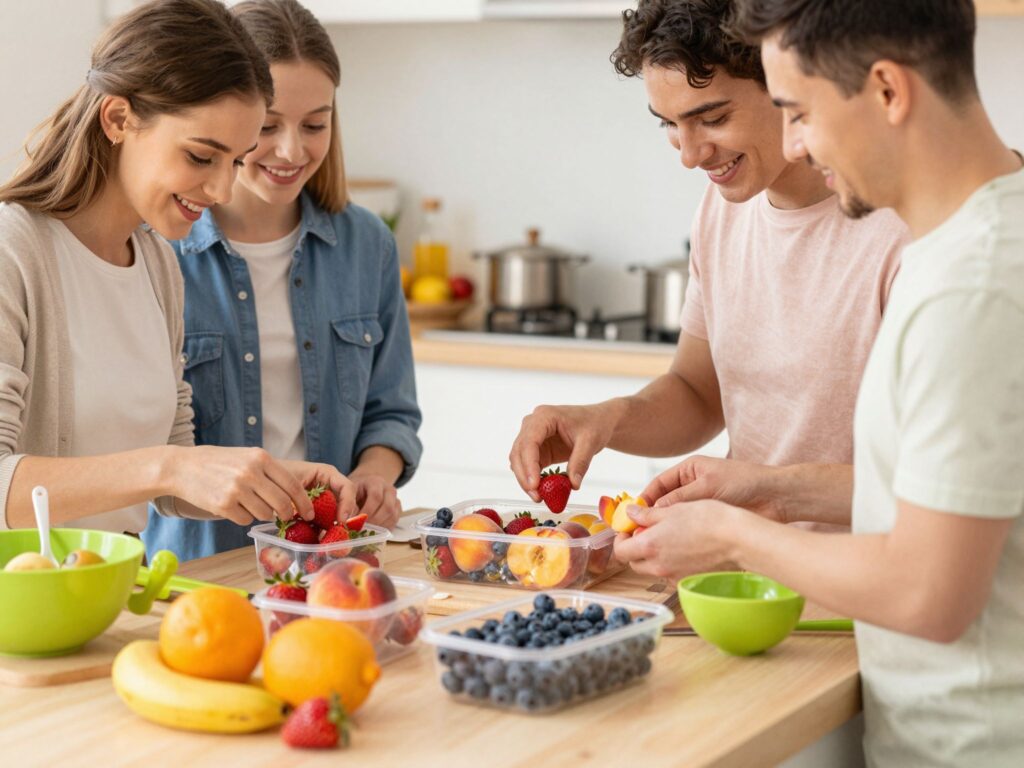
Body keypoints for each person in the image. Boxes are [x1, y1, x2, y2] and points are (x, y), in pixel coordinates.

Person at [616, 0, 1024, 764]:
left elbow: (927, 593)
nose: (796, 142)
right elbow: (937, 494)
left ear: (887, 91)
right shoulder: (966, 247)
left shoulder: (975, 287)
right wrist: (765, 492)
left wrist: (736, 533)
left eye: (797, 111)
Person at [508, 0, 907, 531]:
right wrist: (605, 420)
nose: (690, 156)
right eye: (670, 125)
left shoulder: (904, 226)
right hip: (740, 577)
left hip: (859, 589)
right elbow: (698, 393)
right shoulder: (722, 210)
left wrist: (771, 498)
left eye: (713, 118)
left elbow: (941, 486)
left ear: (790, 85)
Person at [0, 0, 351, 533]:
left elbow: (171, 478)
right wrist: (171, 467)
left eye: (235, 160)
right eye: (200, 156)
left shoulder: (157, 264)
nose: (222, 189)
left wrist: (266, 481)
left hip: (113, 599)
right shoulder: (15, 252)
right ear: (118, 119)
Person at [143, 0, 422, 562]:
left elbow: (392, 413)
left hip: (333, 564)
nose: (293, 150)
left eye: (315, 124)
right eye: (267, 126)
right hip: (198, 573)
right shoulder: (153, 251)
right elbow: (136, 449)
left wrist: (374, 472)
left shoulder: (368, 245)